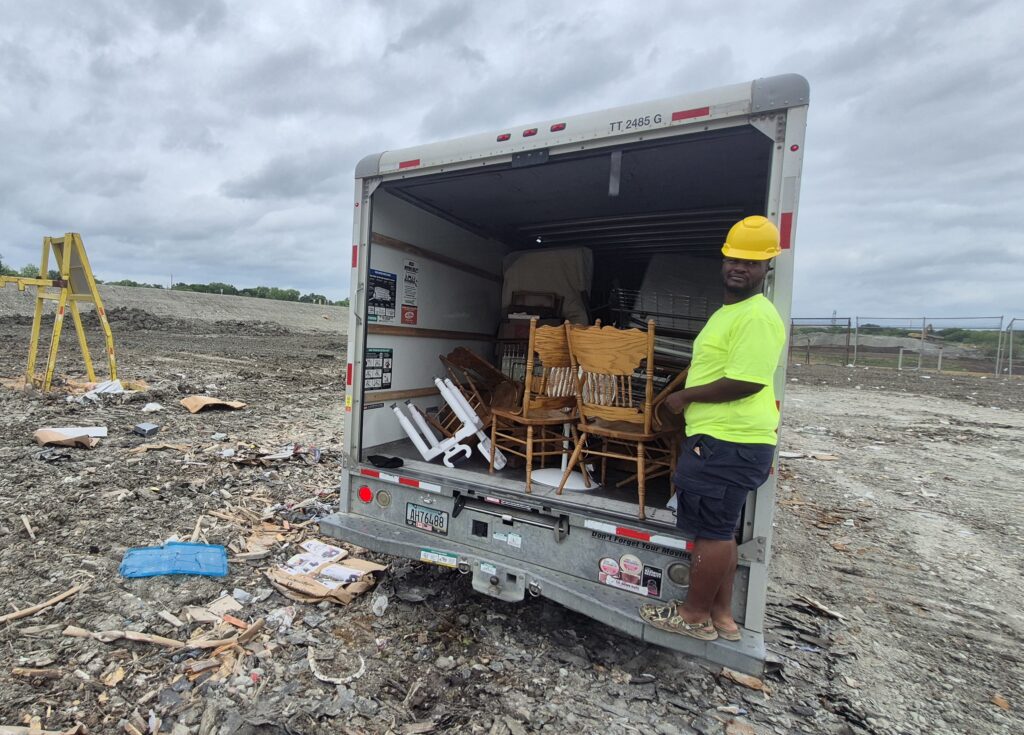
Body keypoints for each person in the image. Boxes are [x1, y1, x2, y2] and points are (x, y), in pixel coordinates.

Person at [640, 215, 786, 642]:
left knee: (714, 532)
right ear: (723, 258)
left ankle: (691, 616)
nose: (740, 267)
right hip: (723, 440)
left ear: (766, 269)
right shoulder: (734, 311)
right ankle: (721, 616)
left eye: (752, 263)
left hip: (730, 441)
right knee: (717, 528)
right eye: (734, 258)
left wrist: (684, 398)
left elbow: (747, 381)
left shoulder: (756, 316)